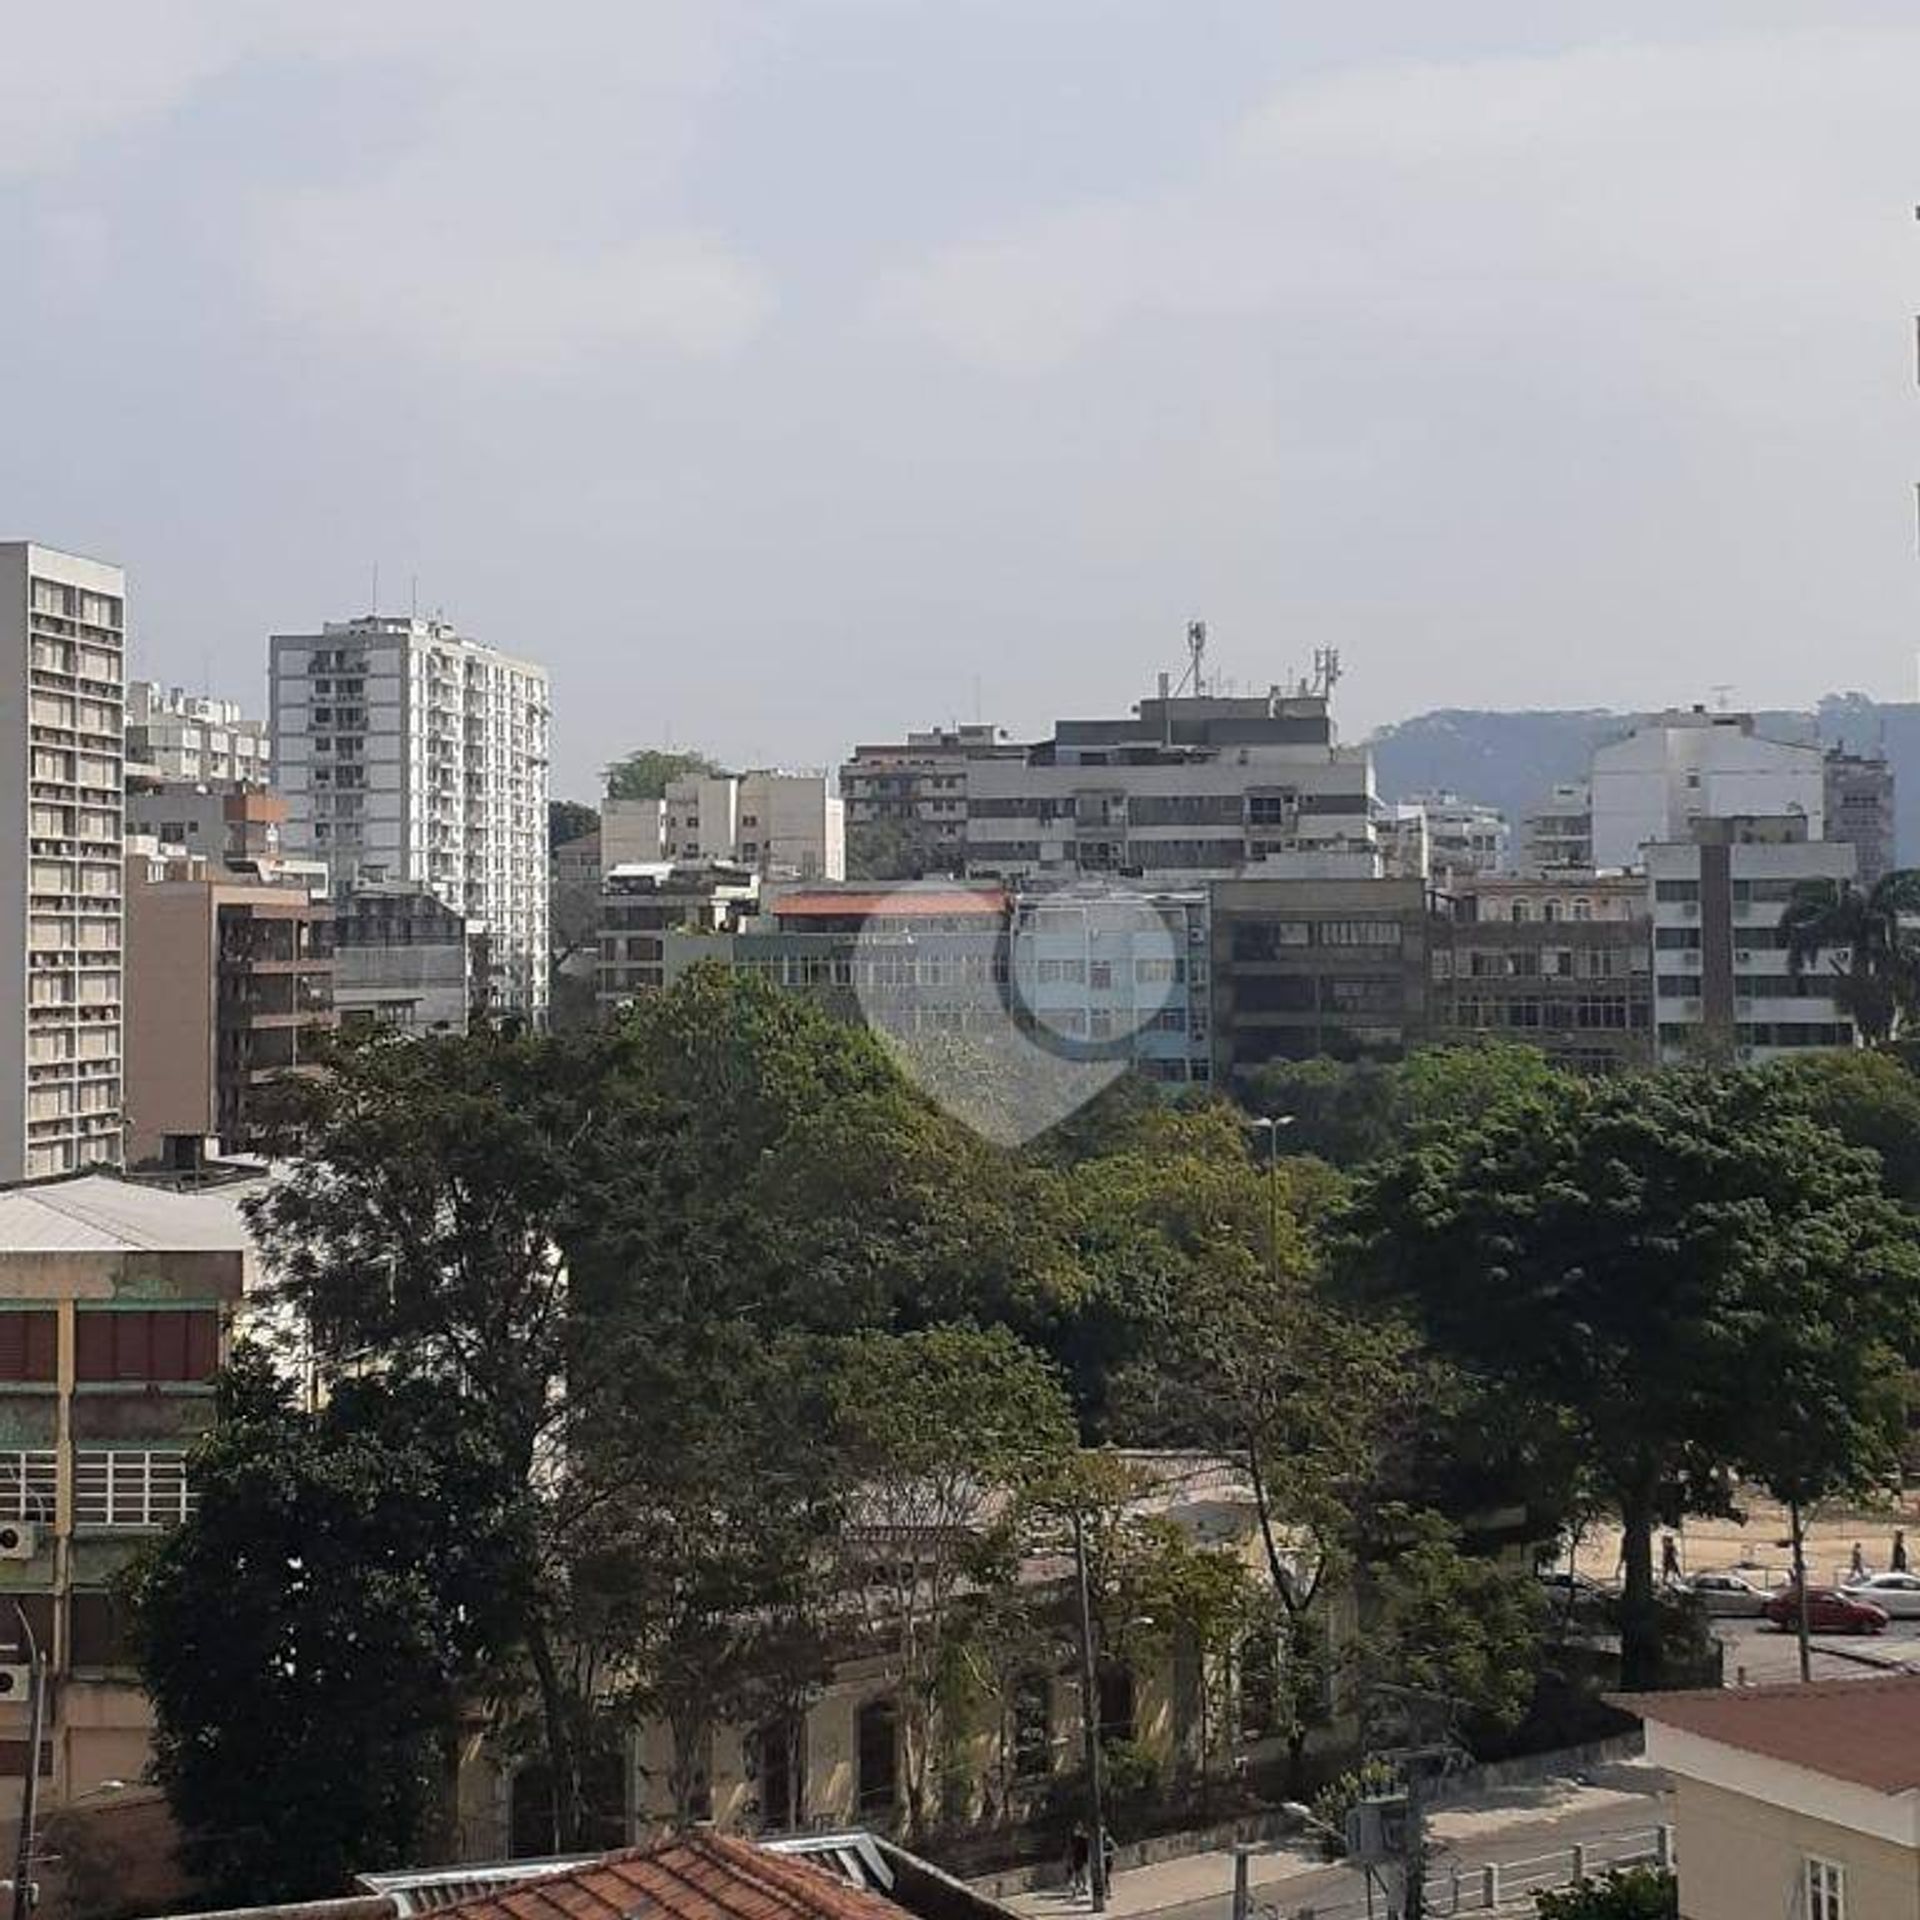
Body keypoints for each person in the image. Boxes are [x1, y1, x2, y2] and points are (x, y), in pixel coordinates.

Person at [1067, 1824, 1089, 1897]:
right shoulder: (1074, 1839)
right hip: (1076, 1859)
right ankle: (1078, 1889)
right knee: (1077, 1874)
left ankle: (1082, 1888)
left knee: (1081, 1874)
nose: (1076, 1831)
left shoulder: (1082, 1839)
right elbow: (1070, 1850)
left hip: (1080, 1859)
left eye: (1078, 1829)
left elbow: (1085, 1849)